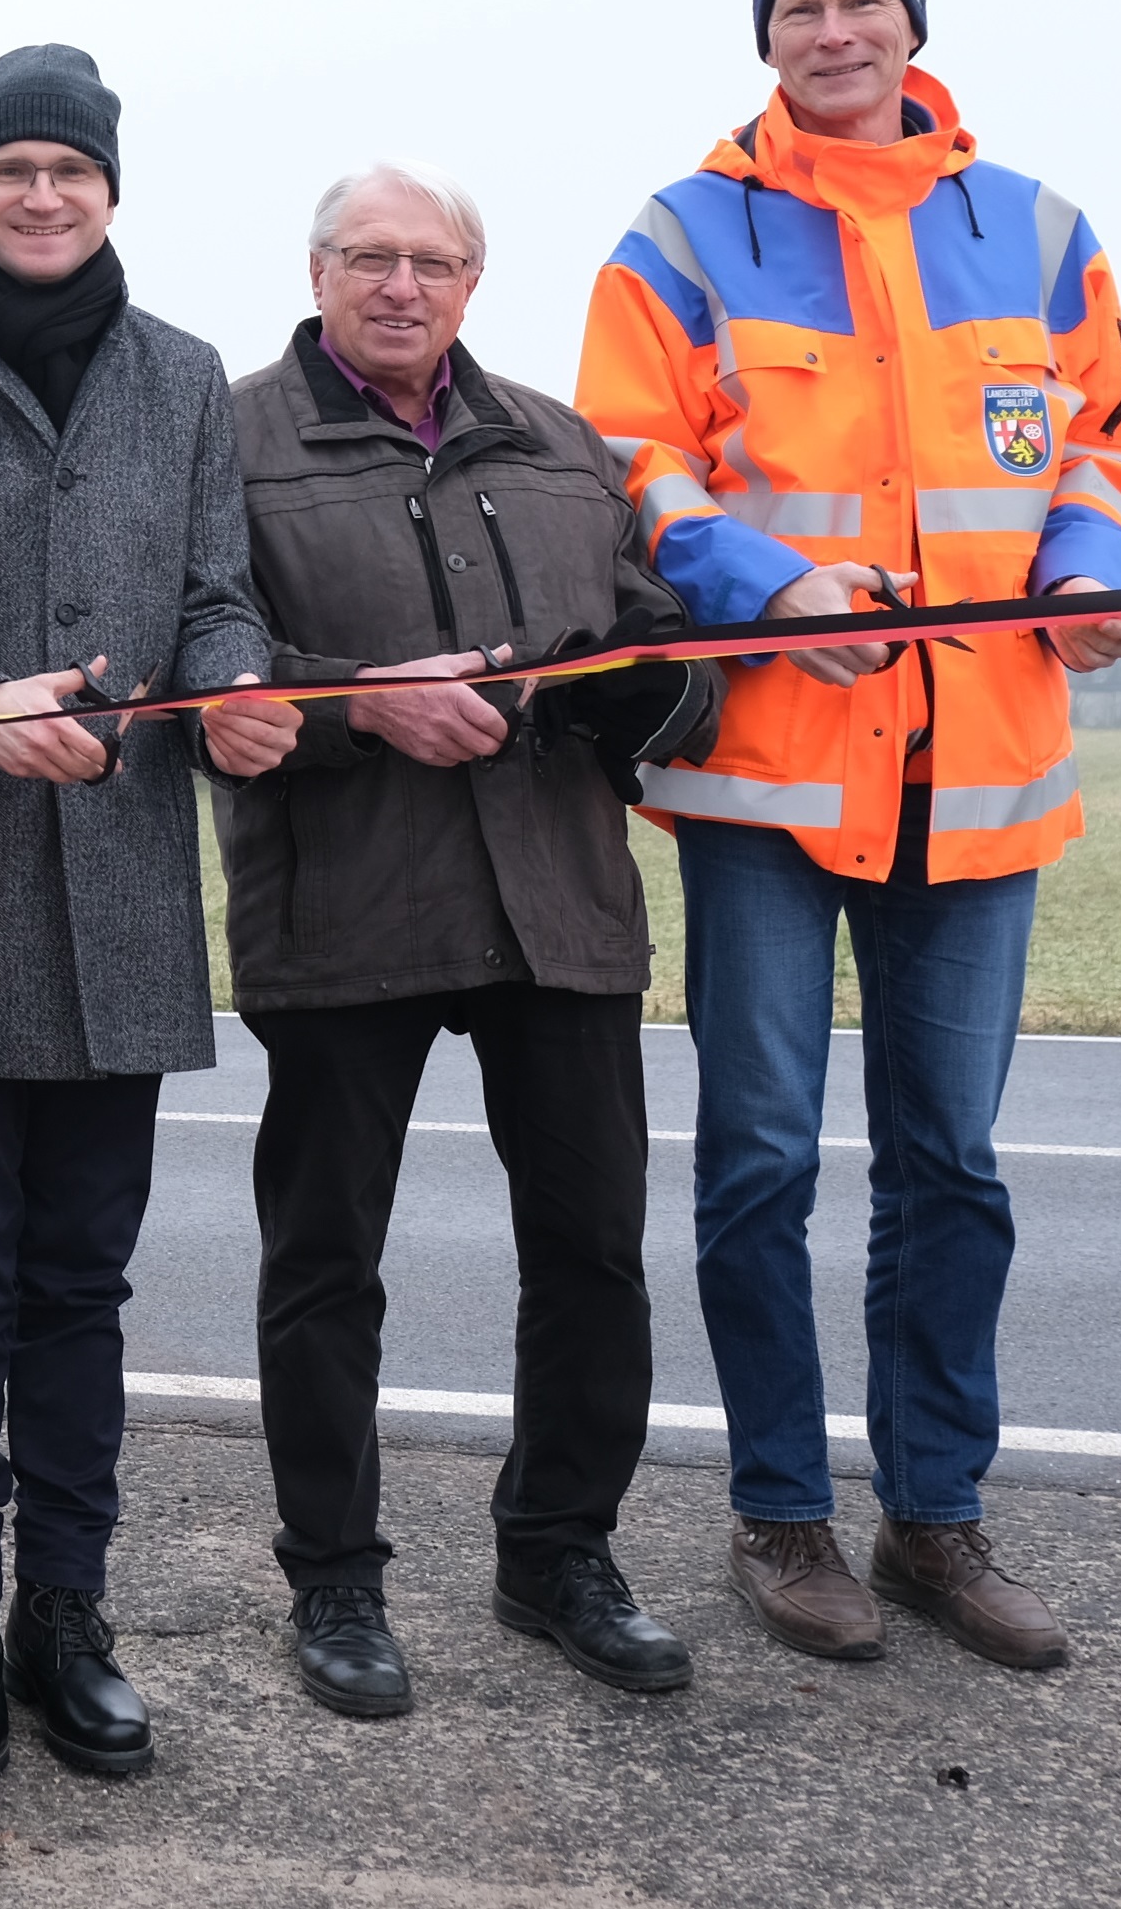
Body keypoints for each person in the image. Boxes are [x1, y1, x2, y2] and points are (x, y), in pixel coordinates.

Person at [578, 0, 1121, 1673]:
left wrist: (1085, 574)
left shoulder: (1038, 232)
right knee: (758, 1161)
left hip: (978, 778)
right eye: (800, 6)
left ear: (911, 23)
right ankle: (780, 1514)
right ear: (765, 39)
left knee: (950, 1169)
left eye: (863, 0)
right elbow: (625, 457)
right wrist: (766, 584)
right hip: (770, 779)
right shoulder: (683, 232)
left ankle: (933, 1520)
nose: (834, 30)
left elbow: (1105, 442)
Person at [0, 45, 291, 1787]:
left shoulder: (180, 381)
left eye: (68, 170)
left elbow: (218, 595)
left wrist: (239, 686)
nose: (39, 194)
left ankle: (61, 1614)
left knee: (81, 1289)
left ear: (109, 192)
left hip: (124, 903)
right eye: (8, 166)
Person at [221, 161, 730, 1721]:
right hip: (346, 902)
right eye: (366, 256)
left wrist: (639, 691)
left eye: (429, 259)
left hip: (555, 904)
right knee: (327, 1261)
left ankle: (558, 1550)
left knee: (587, 1256)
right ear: (314, 271)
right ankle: (332, 1577)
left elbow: (667, 646)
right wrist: (356, 701)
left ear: (470, 279)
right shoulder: (227, 441)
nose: (398, 284)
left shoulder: (561, 443)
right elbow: (202, 665)